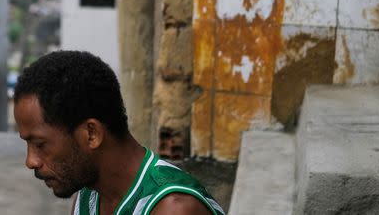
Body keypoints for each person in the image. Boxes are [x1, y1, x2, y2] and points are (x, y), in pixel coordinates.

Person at [13, 50, 224, 215]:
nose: (31, 161)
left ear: (91, 134)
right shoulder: (88, 198)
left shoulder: (173, 208)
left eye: (40, 145)